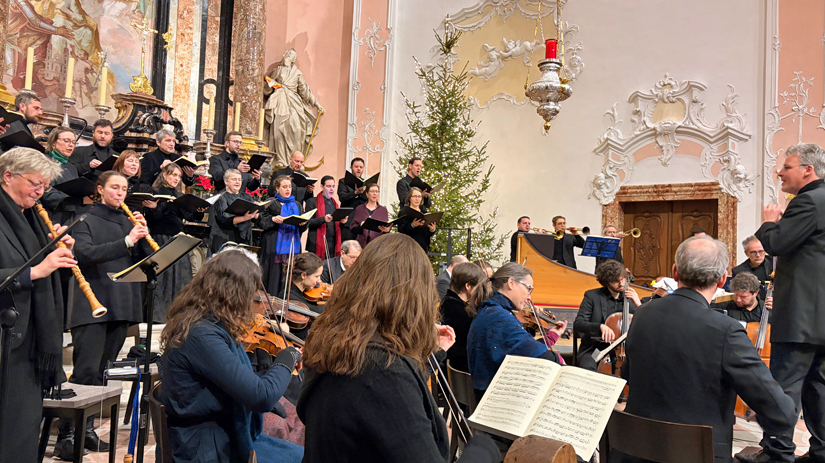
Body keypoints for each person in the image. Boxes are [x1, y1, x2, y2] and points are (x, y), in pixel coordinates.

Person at [298, 233, 500, 462]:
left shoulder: (336, 341)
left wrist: (436, 353)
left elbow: (376, 399)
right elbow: (384, 387)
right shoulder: (382, 369)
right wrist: (484, 446)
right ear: (412, 298)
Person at [621, 236, 797, 463]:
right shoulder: (726, 329)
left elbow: (628, 374)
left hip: (635, 451)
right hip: (698, 455)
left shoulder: (643, 314)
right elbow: (782, 414)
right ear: (723, 279)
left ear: (675, 272)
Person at [160, 249, 304, 463]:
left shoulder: (210, 323)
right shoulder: (201, 334)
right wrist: (288, 356)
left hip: (225, 434)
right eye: (250, 293)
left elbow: (238, 379)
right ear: (234, 293)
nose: (252, 302)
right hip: (209, 449)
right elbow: (261, 397)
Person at [55, 171, 149, 458]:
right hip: (92, 302)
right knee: (85, 371)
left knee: (103, 373)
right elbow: (84, 253)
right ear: (100, 190)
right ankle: (67, 436)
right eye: (115, 187)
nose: (120, 193)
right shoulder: (84, 219)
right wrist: (128, 241)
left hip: (121, 302)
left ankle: (88, 430)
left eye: (124, 188)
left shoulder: (128, 221)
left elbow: (141, 259)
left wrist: (143, 235)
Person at [744, 143, 825, 463]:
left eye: (787, 167)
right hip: (819, 319)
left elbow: (777, 242)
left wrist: (768, 221)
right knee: (818, 389)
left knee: (783, 388)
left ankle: (777, 453)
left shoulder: (808, 200)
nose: (780, 172)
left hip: (800, 318)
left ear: (808, 170)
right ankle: (820, 453)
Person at [0, 147, 75, 462]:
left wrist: (54, 249)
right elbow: (27, 269)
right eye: (34, 183)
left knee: (22, 431)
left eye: (45, 186)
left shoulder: (28, 215)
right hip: (6, 340)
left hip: (29, 339)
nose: (40, 191)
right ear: (8, 176)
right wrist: (36, 271)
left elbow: (40, 264)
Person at [467, 263, 567, 401]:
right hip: (495, 401)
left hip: (487, 395)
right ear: (511, 283)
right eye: (528, 289)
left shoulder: (491, 310)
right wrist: (560, 362)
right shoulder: (499, 317)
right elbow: (537, 353)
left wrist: (552, 335)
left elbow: (523, 346)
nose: (529, 297)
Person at [144, 163, 207, 323]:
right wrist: (155, 207)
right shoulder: (156, 193)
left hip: (178, 238)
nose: (176, 179)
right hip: (161, 238)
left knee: (180, 277)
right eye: (173, 175)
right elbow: (153, 220)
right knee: (165, 278)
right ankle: (159, 315)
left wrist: (199, 211)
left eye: (178, 176)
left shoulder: (180, 195)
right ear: (164, 175)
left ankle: (178, 313)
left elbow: (190, 216)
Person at [573, 260, 640, 371]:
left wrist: (639, 305)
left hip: (624, 351)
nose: (621, 284)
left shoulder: (630, 299)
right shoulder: (592, 296)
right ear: (606, 281)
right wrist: (600, 326)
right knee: (588, 368)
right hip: (596, 349)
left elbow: (646, 323)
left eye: (623, 279)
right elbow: (578, 324)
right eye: (616, 281)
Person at [263, 48, 324, 168]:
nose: (288, 55)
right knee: (279, 131)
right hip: (280, 101)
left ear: (294, 60)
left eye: (291, 55)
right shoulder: (277, 70)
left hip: (294, 103)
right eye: (287, 53)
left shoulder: (297, 73)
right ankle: (281, 159)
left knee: (297, 129)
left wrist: (316, 104)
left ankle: (296, 160)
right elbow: (268, 88)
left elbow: (304, 90)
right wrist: (271, 86)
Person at [259, 175, 307, 295]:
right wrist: (273, 219)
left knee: (290, 273)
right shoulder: (270, 203)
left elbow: (303, 226)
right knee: (273, 275)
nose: (288, 190)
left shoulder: (297, 204)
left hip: (293, 244)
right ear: (277, 188)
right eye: (284, 187)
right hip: (273, 244)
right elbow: (260, 222)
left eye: (289, 187)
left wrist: (303, 223)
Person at [440, 262, 488, 373]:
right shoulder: (458, 311)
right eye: (478, 287)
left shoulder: (448, 302)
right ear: (468, 286)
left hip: (450, 370)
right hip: (460, 374)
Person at [40, 127, 90, 226]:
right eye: (66, 141)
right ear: (53, 142)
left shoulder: (71, 167)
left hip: (71, 216)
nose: (71, 145)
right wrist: (78, 200)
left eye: (73, 142)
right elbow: (46, 194)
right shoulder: (44, 162)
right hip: (52, 216)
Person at [209, 169, 259, 254]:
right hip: (226, 236)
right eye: (234, 179)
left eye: (239, 180)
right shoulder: (221, 197)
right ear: (226, 181)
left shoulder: (246, 196)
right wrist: (244, 218)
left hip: (244, 236)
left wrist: (257, 212)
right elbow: (223, 218)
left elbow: (256, 216)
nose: (237, 182)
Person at [279, 252, 323, 340]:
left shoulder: (306, 292)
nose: (320, 281)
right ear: (303, 275)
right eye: (316, 276)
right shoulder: (291, 298)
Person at [305, 175, 347, 259]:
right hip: (316, 243)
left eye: (333, 186)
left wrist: (343, 222)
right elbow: (307, 222)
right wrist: (323, 219)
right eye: (328, 186)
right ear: (322, 187)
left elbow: (337, 225)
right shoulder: (312, 202)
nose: (331, 189)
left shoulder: (335, 204)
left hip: (333, 242)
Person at [349, 183, 391, 247]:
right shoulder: (360, 209)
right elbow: (353, 228)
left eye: (376, 192)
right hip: (361, 245)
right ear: (367, 194)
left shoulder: (383, 210)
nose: (375, 194)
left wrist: (387, 230)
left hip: (377, 245)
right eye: (372, 191)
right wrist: (360, 226)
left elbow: (386, 228)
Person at [397, 186, 436, 252]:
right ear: (409, 198)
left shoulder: (424, 212)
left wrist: (432, 229)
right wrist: (412, 225)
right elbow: (401, 230)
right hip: (408, 247)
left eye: (419, 196)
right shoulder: (404, 212)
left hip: (422, 247)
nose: (417, 199)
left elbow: (427, 234)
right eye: (414, 196)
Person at [337, 157, 367, 241]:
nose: (358, 169)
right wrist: (355, 193)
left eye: (361, 167)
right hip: (348, 220)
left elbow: (368, 201)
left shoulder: (365, 184)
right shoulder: (343, 182)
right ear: (351, 168)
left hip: (361, 221)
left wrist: (364, 192)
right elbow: (342, 198)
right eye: (356, 167)